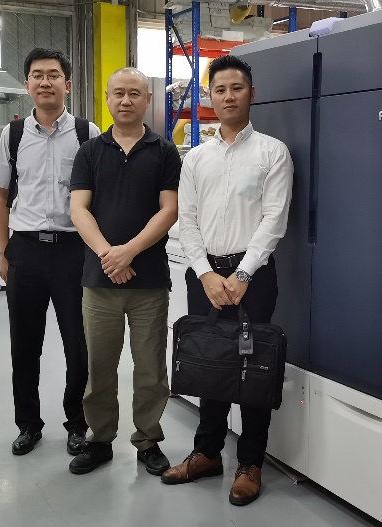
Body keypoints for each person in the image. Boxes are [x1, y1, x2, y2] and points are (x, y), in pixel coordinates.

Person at [161, 55, 293, 506]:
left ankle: (250, 463)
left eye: (237, 88)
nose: (228, 96)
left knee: (254, 368)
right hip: (205, 274)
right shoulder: (197, 157)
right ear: (210, 97)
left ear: (252, 94)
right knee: (209, 364)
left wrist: (241, 274)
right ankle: (207, 453)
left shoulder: (273, 152)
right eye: (220, 89)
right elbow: (187, 219)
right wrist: (205, 273)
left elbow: (275, 219)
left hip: (253, 275)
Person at [68, 67, 181, 476]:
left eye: (135, 93)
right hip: (99, 282)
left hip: (149, 282)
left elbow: (169, 209)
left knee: (150, 368)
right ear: (107, 98)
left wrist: (129, 252)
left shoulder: (164, 151)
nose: (126, 100)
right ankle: (100, 440)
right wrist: (108, 255)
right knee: (99, 368)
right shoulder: (89, 152)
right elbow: (78, 209)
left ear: (147, 100)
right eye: (118, 93)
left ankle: (148, 440)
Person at [0, 48, 101, 457]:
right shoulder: (13, 135)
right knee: (24, 345)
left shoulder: (88, 133)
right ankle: (28, 424)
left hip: (75, 251)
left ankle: (77, 424)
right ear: (27, 85)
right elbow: (1, 196)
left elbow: (99, 196)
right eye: (37, 75)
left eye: (53, 75)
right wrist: (3, 251)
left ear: (67, 85)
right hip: (26, 250)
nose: (45, 81)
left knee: (79, 345)